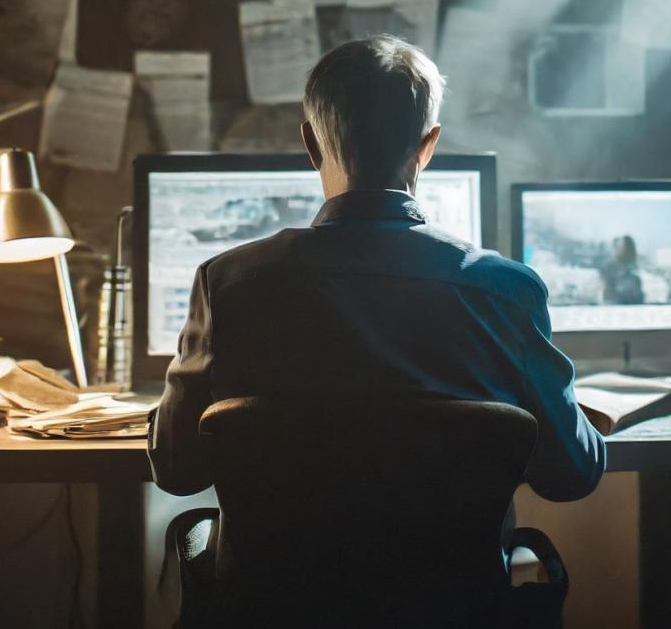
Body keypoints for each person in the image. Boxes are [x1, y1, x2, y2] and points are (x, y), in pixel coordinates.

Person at [149, 35, 606, 502]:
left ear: (310, 144)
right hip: (451, 577)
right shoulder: (508, 291)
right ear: (428, 146)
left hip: (285, 576)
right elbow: (571, 474)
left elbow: (175, 469)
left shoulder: (226, 284)